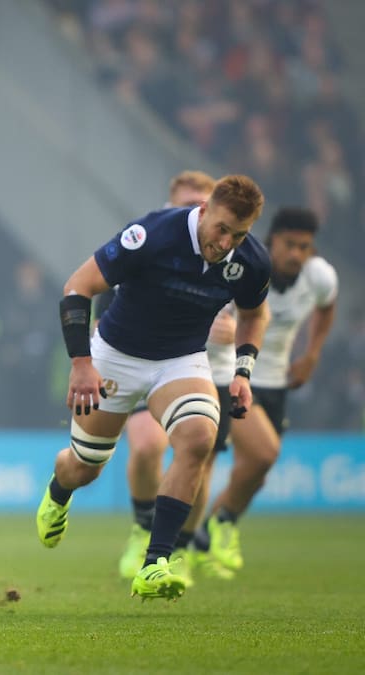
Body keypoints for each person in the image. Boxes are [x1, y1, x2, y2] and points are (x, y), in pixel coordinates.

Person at [35, 174, 271, 601]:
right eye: (221, 229)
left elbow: (255, 314)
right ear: (203, 210)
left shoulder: (251, 260)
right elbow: (78, 287)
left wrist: (242, 370)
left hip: (180, 359)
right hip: (115, 355)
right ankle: (59, 487)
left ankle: (156, 562)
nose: (226, 242)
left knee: (199, 438)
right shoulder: (152, 234)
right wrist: (82, 363)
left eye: (239, 234)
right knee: (85, 467)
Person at [114, 170, 242, 582]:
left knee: (198, 464)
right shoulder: (150, 240)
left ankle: (177, 552)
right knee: (149, 447)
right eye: (184, 204)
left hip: (209, 371)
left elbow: (257, 310)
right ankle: (141, 529)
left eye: (198, 205)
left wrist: (237, 338)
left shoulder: (234, 253)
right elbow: (103, 290)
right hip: (143, 359)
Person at [195, 206, 338, 572]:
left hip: (278, 382)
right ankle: (218, 526)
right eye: (290, 245)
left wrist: (312, 354)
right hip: (238, 376)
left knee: (257, 472)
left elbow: (327, 306)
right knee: (264, 454)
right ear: (272, 241)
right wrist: (218, 332)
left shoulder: (319, 277)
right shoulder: (244, 269)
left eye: (304, 247)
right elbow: (208, 311)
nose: (296, 254)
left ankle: (205, 535)